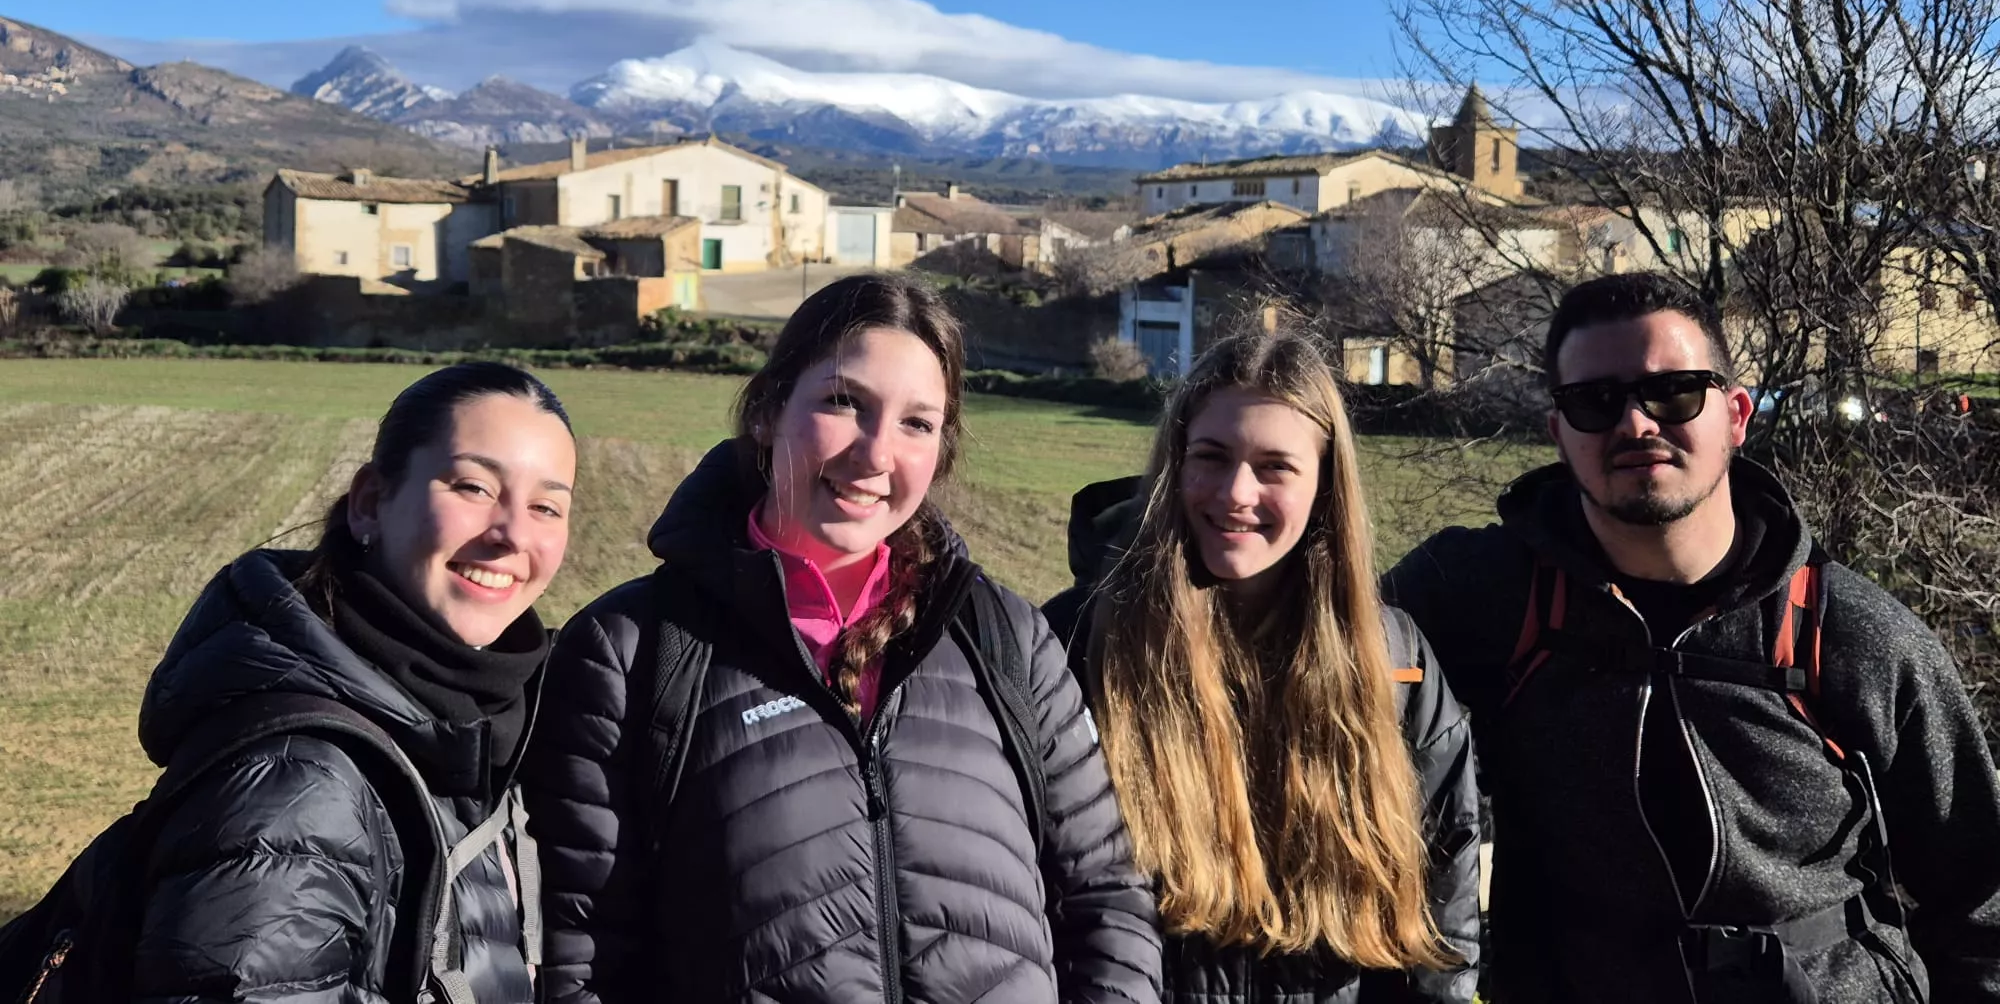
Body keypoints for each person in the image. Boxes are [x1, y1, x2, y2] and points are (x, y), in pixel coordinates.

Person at [526, 272, 1162, 1004]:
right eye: (842, 403)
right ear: (766, 411)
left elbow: (1107, 900)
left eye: (916, 423)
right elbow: (587, 962)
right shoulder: (631, 651)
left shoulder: (1007, 640)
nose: (875, 454)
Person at [1383, 271, 2000, 1002]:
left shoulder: (1852, 635)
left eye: (1673, 392)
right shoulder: (1485, 596)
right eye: (1594, 401)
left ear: (1735, 415)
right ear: (1557, 432)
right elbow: (1300, 635)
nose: (1635, 424)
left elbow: (1980, 899)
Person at [1042, 324, 1481, 1004]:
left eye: (1275, 466)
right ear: (1176, 465)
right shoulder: (1076, 646)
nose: (1236, 493)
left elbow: (1439, 921)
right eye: (1211, 458)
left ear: (1325, 487)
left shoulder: (1395, 665)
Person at [130, 360, 576, 1004]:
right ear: (371, 502)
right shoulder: (296, 785)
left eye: (545, 506)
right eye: (474, 487)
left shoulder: (487, 727)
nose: (511, 535)